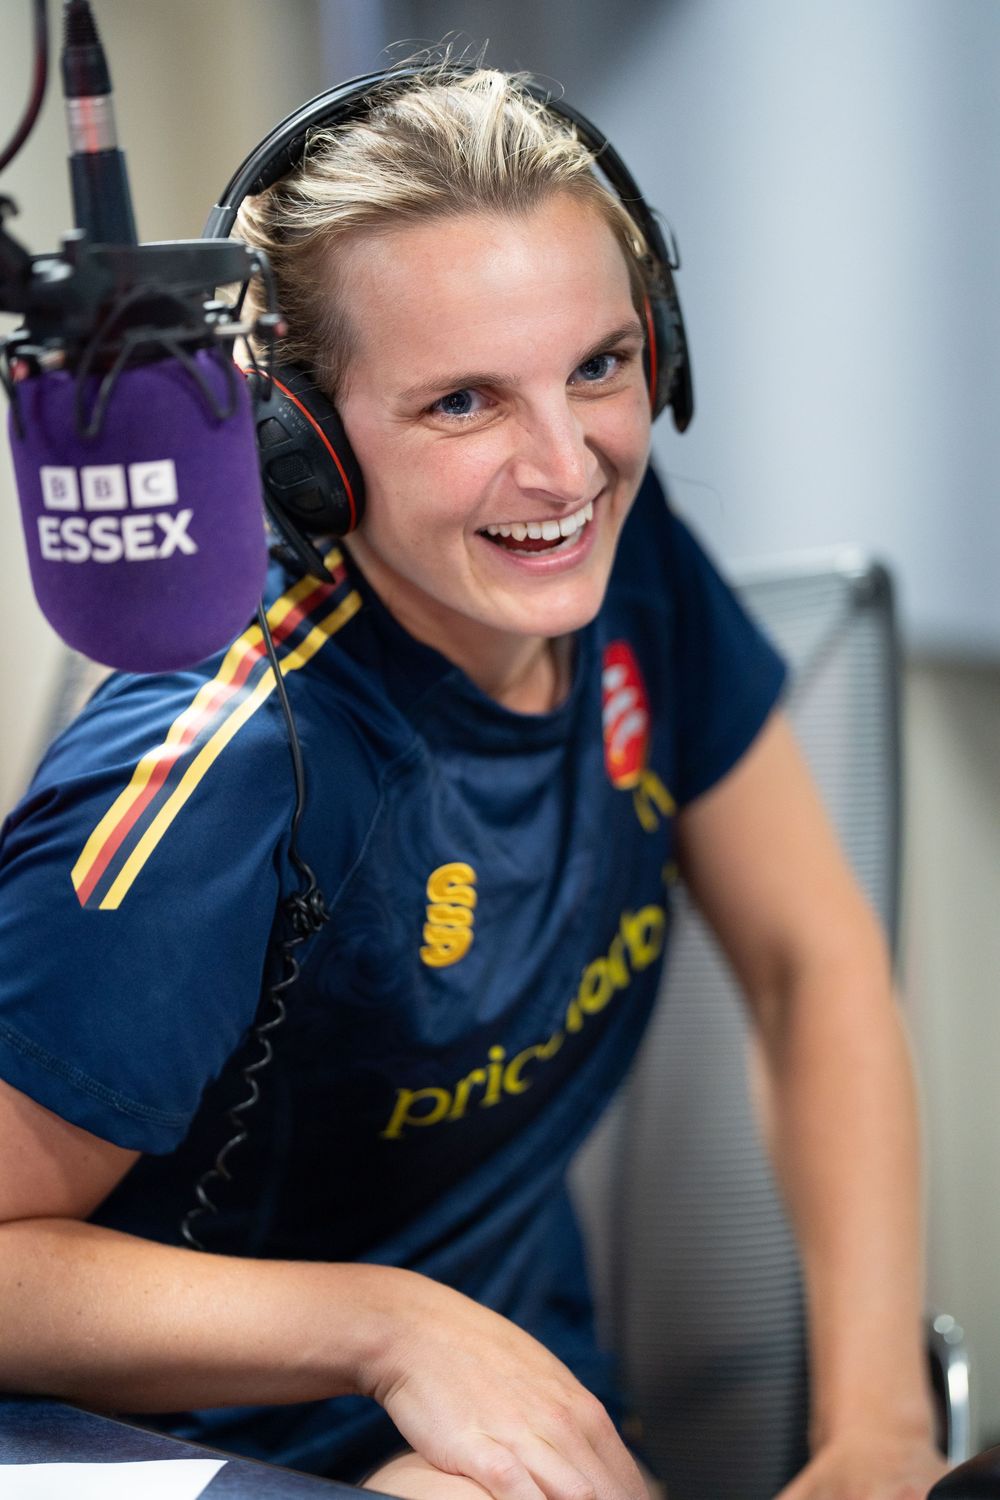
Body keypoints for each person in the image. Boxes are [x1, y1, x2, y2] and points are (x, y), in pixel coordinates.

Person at [0, 62, 948, 1500]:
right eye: (462, 403)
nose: (567, 468)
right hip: (203, 1456)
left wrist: (880, 1431)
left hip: (517, 1416)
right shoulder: (225, 768)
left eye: (600, 366)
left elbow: (808, 962)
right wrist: (388, 1326)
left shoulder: (623, 573)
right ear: (303, 450)